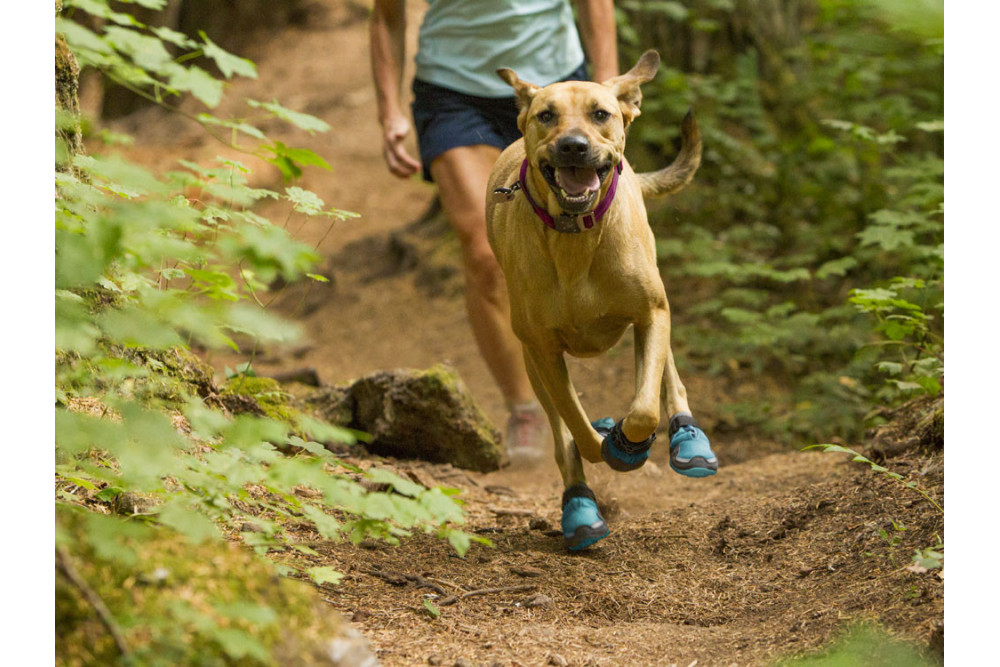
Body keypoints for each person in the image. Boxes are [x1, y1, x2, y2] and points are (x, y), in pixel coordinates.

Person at [369, 0, 619, 461]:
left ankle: (569, 369)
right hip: (454, 95)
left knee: (573, 237)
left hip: (561, 91)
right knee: (486, 253)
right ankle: (525, 408)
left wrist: (608, 93)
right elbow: (387, 17)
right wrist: (389, 112)